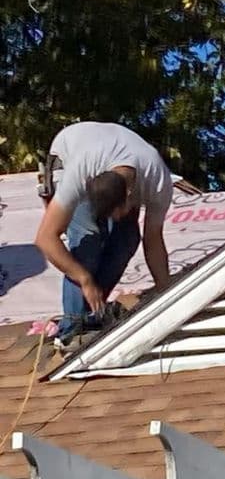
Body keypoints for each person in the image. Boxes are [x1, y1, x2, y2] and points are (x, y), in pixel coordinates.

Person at [34, 122, 174, 349]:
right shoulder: (79, 174)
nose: (114, 218)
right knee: (88, 238)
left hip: (114, 155)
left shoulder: (157, 181)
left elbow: (153, 240)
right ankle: (74, 329)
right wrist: (84, 279)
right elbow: (45, 238)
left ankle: (92, 315)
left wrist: (167, 292)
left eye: (115, 213)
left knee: (127, 239)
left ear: (129, 196)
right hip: (69, 149)